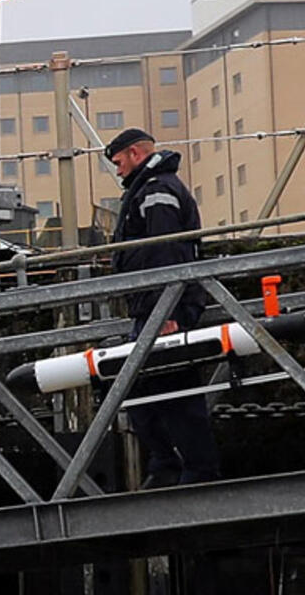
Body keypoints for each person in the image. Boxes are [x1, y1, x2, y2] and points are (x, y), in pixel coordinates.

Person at [104, 128, 218, 487]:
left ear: (136, 154)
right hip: (156, 306)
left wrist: (165, 311)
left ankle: (190, 470)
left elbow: (166, 249)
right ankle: (169, 465)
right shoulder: (153, 189)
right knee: (146, 390)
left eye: (119, 162)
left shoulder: (156, 192)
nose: (119, 171)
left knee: (173, 391)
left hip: (165, 308)